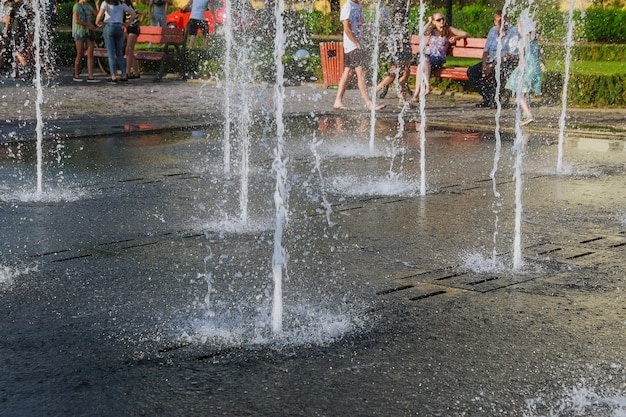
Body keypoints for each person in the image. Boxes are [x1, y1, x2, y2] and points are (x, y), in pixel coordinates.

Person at [332, 0, 385, 111]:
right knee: (361, 73)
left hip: (357, 44)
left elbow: (362, 25)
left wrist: (375, 34)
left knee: (348, 72)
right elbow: (346, 28)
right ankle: (369, 103)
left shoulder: (358, 6)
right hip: (353, 45)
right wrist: (356, 43)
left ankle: (338, 101)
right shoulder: (348, 6)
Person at [409, 12, 468, 103]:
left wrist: (456, 37)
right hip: (428, 56)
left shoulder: (449, 29)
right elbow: (421, 33)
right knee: (422, 65)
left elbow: (466, 34)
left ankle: (419, 93)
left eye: (442, 19)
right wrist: (429, 22)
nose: (441, 21)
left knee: (422, 63)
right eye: (438, 20)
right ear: (434, 22)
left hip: (438, 57)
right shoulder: (432, 30)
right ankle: (425, 88)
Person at [467, 11, 519, 108]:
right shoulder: (493, 30)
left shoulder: (513, 31)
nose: (503, 23)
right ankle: (489, 97)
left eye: (505, 20)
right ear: (495, 22)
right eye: (500, 21)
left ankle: (495, 99)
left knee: (498, 69)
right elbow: (486, 51)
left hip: (507, 61)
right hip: (491, 60)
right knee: (472, 71)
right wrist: (484, 65)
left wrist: (491, 66)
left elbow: (509, 55)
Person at [505, 15, 545, 126]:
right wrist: (543, 64)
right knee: (524, 92)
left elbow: (522, 59)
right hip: (534, 69)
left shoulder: (522, 42)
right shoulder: (534, 41)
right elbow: (540, 55)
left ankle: (528, 114)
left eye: (518, 27)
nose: (518, 30)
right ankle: (525, 115)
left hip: (526, 69)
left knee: (519, 93)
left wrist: (518, 70)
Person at [375, 0, 412, 103]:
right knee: (397, 71)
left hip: (402, 42)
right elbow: (397, 26)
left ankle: (403, 100)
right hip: (400, 43)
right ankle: (375, 91)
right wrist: (401, 44)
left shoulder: (403, 4)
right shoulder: (399, 4)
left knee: (404, 71)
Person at [95, 0, 136, 82]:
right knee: (119, 53)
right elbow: (133, 14)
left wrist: (97, 22)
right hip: (119, 27)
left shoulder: (105, 3)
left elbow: (100, 14)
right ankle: (124, 74)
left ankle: (113, 75)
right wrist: (127, 24)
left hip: (109, 26)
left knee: (111, 53)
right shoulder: (121, 4)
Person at [5, 0, 34, 79]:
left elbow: (8, 18)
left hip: (15, 30)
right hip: (23, 30)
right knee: (20, 50)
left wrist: (5, 30)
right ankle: (16, 71)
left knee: (15, 50)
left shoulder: (14, 5)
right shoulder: (25, 5)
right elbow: (30, 18)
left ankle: (26, 67)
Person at [72, 0, 99, 82]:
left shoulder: (88, 5)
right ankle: (76, 74)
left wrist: (97, 5)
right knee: (80, 54)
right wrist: (88, 24)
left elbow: (98, 15)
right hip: (79, 32)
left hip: (89, 32)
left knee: (90, 53)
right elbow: (76, 20)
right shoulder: (77, 6)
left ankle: (90, 75)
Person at [122, 0, 145, 79]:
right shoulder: (125, 7)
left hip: (133, 29)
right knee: (130, 51)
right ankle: (136, 72)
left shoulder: (130, 7)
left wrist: (138, 23)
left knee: (128, 50)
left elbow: (143, 14)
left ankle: (127, 72)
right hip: (130, 29)